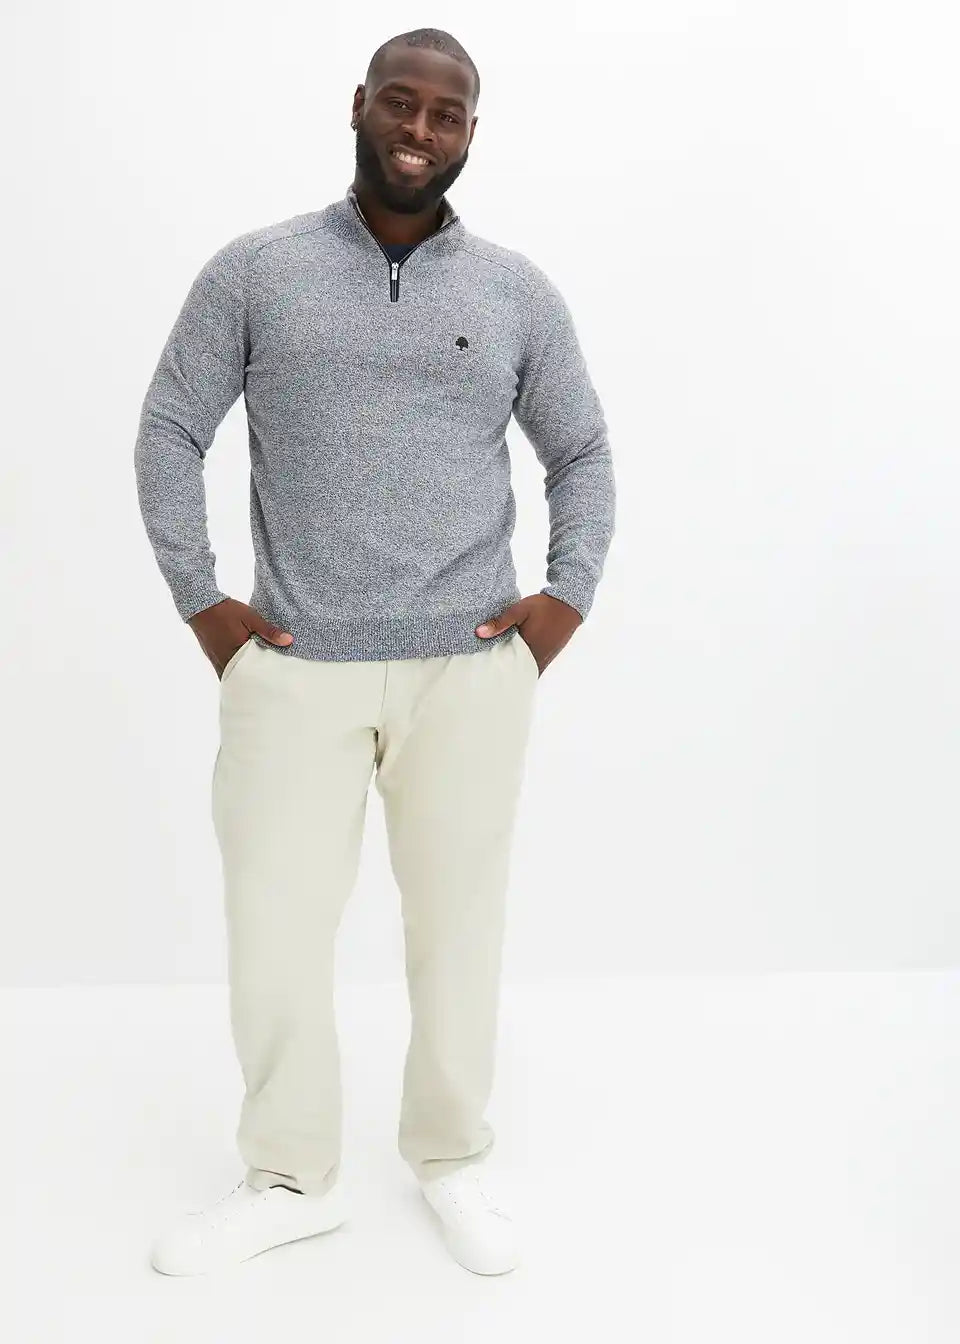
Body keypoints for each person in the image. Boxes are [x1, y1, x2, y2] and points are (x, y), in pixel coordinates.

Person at [136, 27, 616, 1278]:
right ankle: (289, 1177)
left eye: (446, 113)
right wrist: (203, 604)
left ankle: (450, 1162)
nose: (419, 129)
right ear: (359, 106)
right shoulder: (258, 272)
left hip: (471, 668)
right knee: (276, 931)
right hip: (293, 665)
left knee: (459, 929)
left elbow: (581, 451)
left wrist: (559, 607)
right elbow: (172, 426)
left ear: (470, 134)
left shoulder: (514, 292)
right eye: (400, 102)